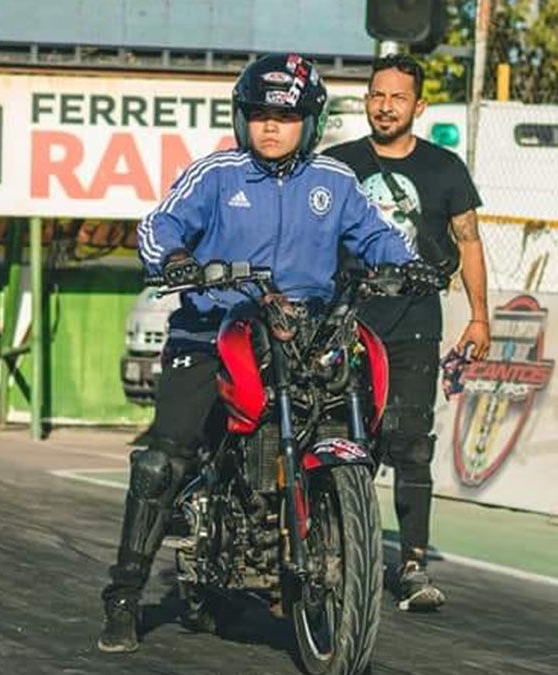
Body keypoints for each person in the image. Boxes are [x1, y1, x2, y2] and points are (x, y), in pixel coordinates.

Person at [98, 52, 424, 654]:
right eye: (259, 114)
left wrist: (406, 261)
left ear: (312, 121)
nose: (271, 126)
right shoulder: (216, 175)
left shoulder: (334, 183)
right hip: (213, 331)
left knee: (375, 403)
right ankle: (123, 595)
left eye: (287, 115)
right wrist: (174, 261)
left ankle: (325, 524)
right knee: (161, 460)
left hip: (304, 333)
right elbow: (157, 227)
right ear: (242, 118)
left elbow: (377, 234)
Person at [323, 54, 489, 612]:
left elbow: (469, 243)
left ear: (419, 107)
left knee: (412, 446)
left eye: (397, 97)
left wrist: (480, 316)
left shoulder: (445, 170)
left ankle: (412, 564)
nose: (384, 106)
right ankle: (338, 549)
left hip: (414, 324)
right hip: (346, 321)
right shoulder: (336, 165)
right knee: (343, 444)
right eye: (376, 95)